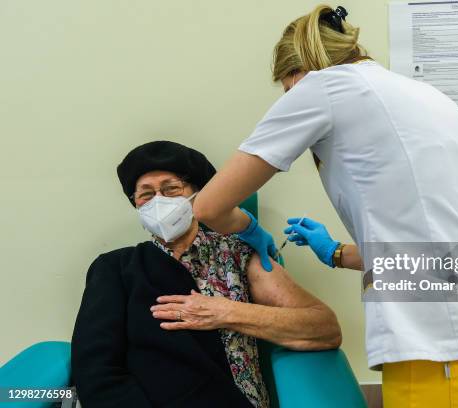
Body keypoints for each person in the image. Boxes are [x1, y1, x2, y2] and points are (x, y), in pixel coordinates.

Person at [191, 5, 458, 408]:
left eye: (288, 90)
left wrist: (250, 229)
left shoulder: (322, 87)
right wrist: (338, 253)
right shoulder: (426, 95)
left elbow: (208, 207)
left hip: (446, 346)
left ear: (299, 72)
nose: (290, 100)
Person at [71, 141, 341, 408]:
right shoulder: (115, 267)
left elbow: (324, 328)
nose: (158, 201)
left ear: (198, 195)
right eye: (146, 194)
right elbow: (95, 370)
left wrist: (225, 313)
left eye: (171, 189)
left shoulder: (239, 255)